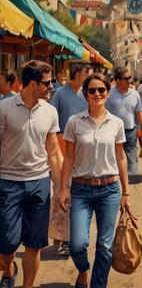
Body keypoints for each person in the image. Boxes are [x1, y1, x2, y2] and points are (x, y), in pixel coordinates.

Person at [58, 73, 130, 288]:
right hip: (81, 189)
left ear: (108, 93)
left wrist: (126, 192)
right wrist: (63, 188)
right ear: (85, 94)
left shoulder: (116, 123)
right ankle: (84, 270)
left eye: (101, 90)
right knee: (77, 245)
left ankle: (99, 284)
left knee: (105, 245)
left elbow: (121, 157)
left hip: (109, 189)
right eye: (92, 90)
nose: (97, 94)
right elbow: (68, 156)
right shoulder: (74, 121)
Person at [0, 60, 63, 288]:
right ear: (33, 83)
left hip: (39, 183)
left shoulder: (50, 111)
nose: (51, 87)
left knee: (34, 244)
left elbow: (54, 152)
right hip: (8, 183)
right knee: (5, 247)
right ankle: (8, 268)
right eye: (48, 83)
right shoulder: (4, 109)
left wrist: (63, 187)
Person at [49, 62, 92, 257]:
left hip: (84, 151)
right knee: (63, 191)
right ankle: (64, 237)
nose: (90, 77)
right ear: (76, 74)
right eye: (87, 74)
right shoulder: (60, 94)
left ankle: (72, 237)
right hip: (63, 149)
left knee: (79, 194)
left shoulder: (88, 93)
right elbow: (51, 120)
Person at [106, 67, 142, 182]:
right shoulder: (109, 94)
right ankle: (116, 177)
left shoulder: (134, 94)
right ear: (118, 80)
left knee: (131, 154)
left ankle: (131, 177)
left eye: (129, 78)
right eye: (126, 78)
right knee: (115, 155)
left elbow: (139, 112)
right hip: (113, 131)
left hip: (130, 130)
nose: (129, 80)